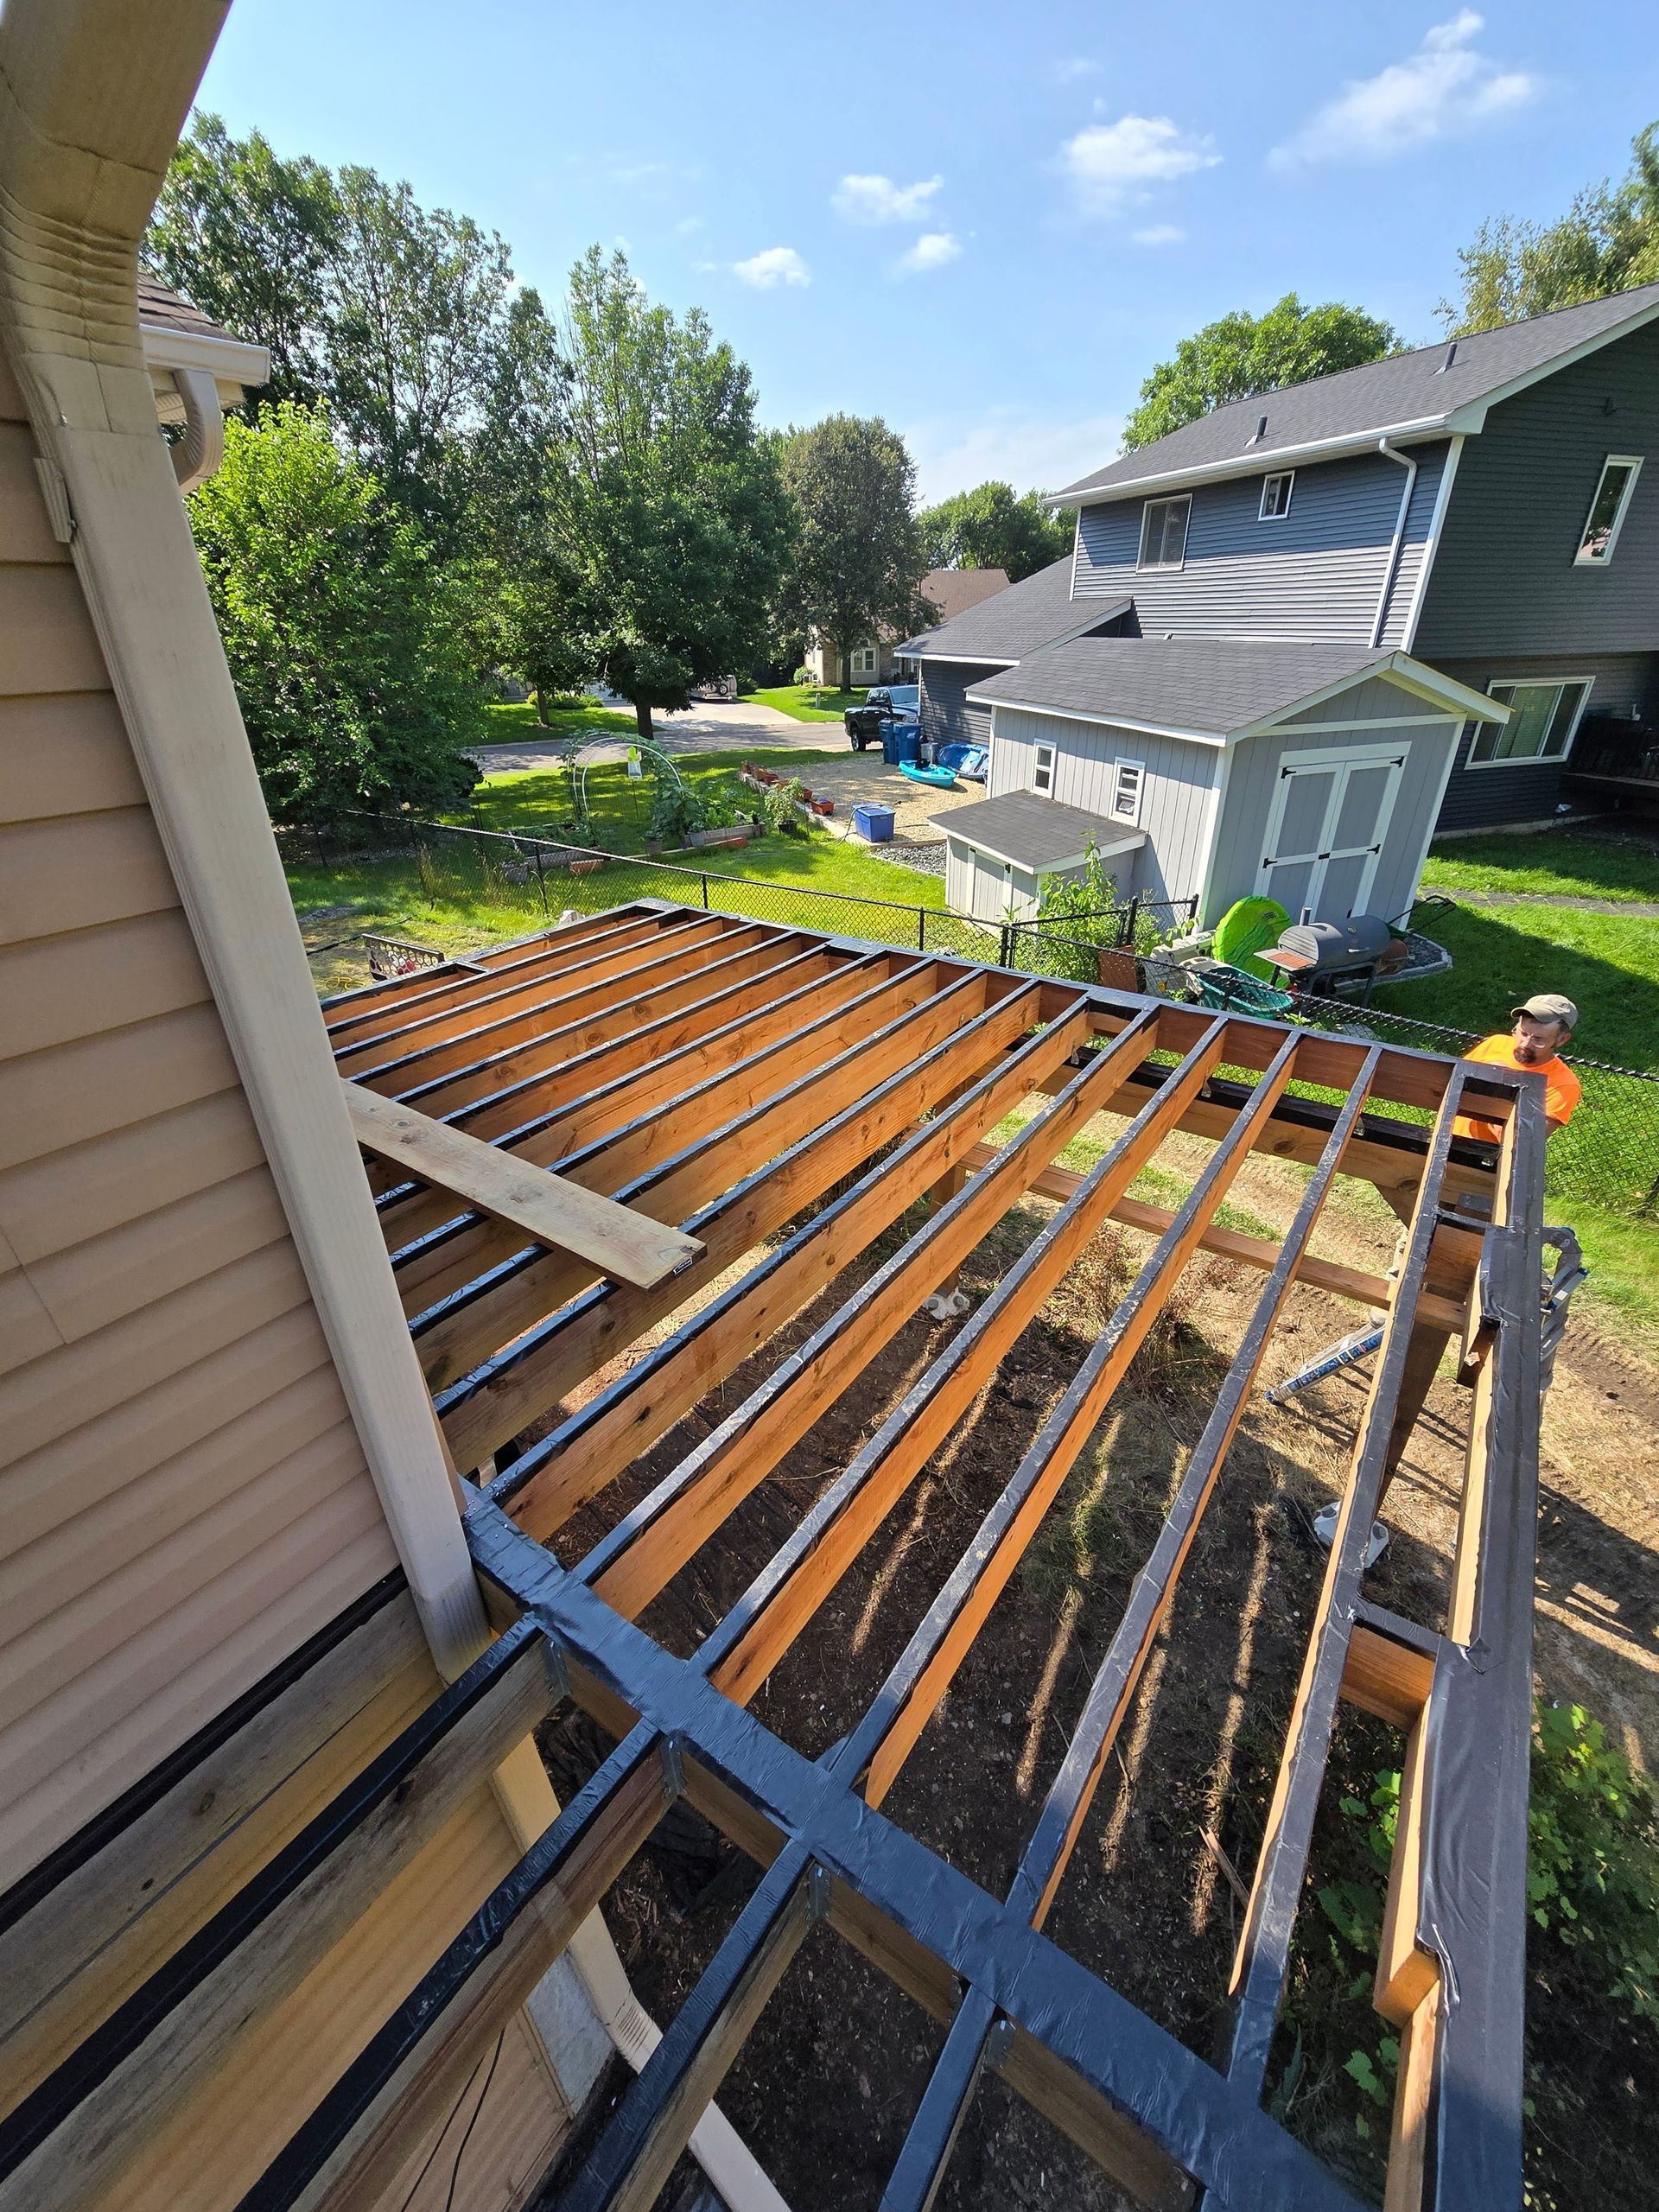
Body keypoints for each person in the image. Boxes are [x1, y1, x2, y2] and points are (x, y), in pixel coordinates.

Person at [1455, 994, 1581, 1147]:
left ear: (1562, 1039)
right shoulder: (1496, 1043)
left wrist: (1499, 1090)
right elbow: (1450, 1086)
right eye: (1523, 1033)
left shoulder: (1563, 1085)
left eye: (1538, 1039)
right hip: (1448, 1137)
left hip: (1487, 1158)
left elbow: (1521, 1144)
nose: (1525, 1044)